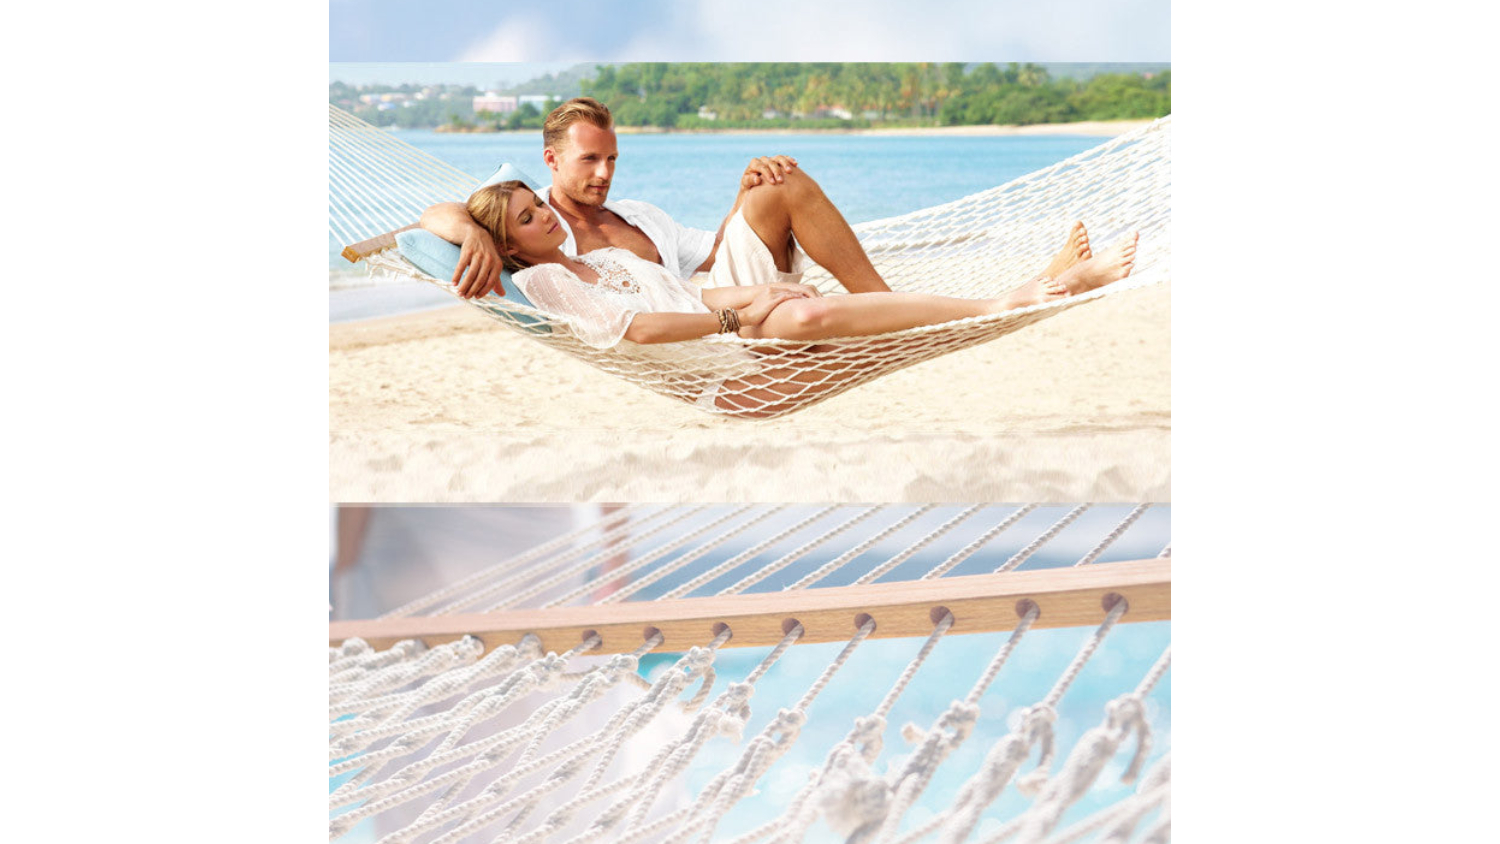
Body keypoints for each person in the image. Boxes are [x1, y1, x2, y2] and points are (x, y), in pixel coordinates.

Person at [468, 179, 1137, 414]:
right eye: (527, 219)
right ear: (509, 248)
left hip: (733, 335)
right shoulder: (542, 282)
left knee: (812, 306)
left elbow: (680, 287)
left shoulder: (605, 255)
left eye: (537, 207)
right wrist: (734, 313)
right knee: (809, 313)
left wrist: (748, 293)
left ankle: (1050, 286)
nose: (545, 218)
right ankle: (1015, 298)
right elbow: (639, 332)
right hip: (726, 380)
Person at [420, 96, 894, 300]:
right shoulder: (532, 223)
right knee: (780, 187)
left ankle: (884, 303)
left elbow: (715, 253)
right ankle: (888, 305)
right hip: (705, 329)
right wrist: (470, 234)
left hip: (720, 297)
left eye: (612, 159)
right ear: (551, 158)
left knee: (776, 180)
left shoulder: (638, 216)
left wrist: (742, 192)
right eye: (589, 160)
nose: (604, 174)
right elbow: (435, 214)